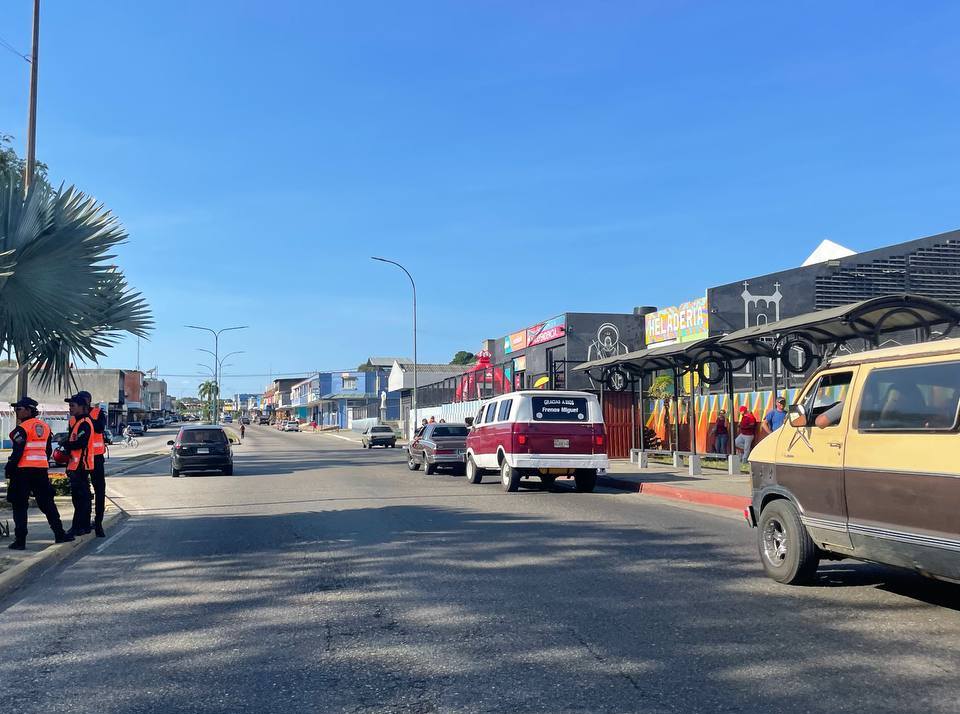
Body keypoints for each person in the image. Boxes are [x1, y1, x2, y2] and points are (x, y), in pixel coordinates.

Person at [4, 398, 74, 549]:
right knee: (47, 503)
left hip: (22, 471)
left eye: (19, 409)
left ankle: (20, 541)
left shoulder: (21, 429)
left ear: (29, 410)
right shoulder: (45, 427)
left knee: (20, 505)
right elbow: (47, 450)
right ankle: (59, 533)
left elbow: (18, 452)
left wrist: (9, 468)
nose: (17, 412)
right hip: (40, 470)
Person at [61, 394, 94, 537]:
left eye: (73, 405)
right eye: (69, 405)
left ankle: (77, 527)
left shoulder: (84, 423)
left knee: (80, 500)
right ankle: (85, 526)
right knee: (83, 499)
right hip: (77, 466)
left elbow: (80, 443)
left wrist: (65, 444)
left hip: (80, 466)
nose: (70, 408)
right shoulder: (77, 422)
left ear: (82, 407)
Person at [75, 391, 107, 537]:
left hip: (97, 458)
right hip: (81, 459)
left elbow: (100, 428)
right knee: (82, 493)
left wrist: (86, 418)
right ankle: (84, 524)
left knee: (100, 491)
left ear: (88, 401)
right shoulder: (73, 418)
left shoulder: (98, 412)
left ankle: (98, 523)